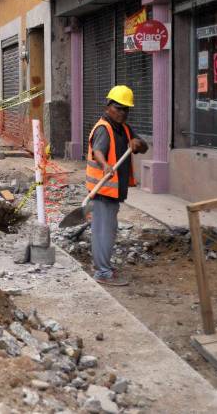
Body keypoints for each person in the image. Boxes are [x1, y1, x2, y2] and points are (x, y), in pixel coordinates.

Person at [86, 85, 148, 286]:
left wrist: (138, 143)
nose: (122, 113)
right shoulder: (104, 128)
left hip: (114, 190)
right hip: (102, 190)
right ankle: (102, 272)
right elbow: (97, 150)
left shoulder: (125, 129)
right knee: (103, 231)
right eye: (118, 108)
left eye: (126, 109)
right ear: (108, 106)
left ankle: (103, 266)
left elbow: (143, 147)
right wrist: (105, 165)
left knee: (108, 229)